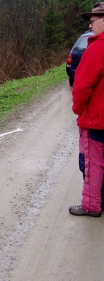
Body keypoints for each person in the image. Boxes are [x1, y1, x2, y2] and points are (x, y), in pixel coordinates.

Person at [69, 2, 104, 217]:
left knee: (93, 164)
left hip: (96, 120)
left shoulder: (97, 48)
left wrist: (78, 109)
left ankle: (91, 205)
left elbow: (81, 86)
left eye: (92, 22)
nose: (90, 27)